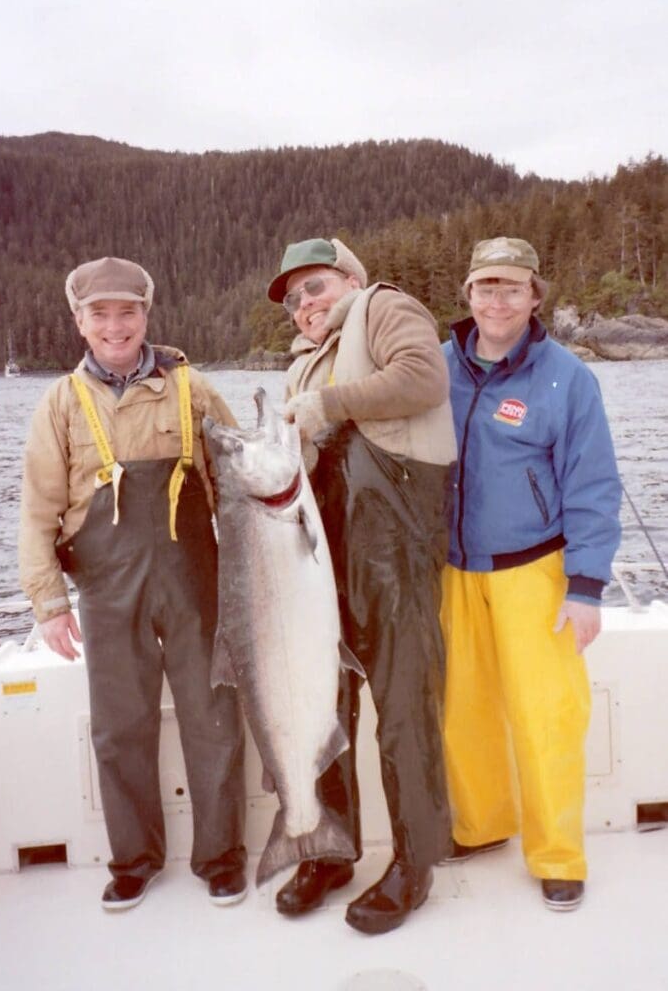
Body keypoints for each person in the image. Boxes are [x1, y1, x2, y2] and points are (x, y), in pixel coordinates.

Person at [19, 256, 247, 911]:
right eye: (101, 314)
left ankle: (221, 855)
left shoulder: (193, 389)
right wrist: (48, 603)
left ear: (147, 315)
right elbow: (36, 512)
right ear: (79, 323)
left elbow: (238, 486)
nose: (115, 326)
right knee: (120, 727)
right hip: (105, 586)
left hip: (193, 579)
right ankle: (134, 859)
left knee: (212, 717)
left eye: (128, 311)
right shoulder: (60, 403)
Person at [266, 236, 457, 935]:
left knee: (404, 714)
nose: (303, 306)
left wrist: (330, 405)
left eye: (314, 288)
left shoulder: (385, 309)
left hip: (396, 555)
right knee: (323, 714)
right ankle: (328, 849)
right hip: (322, 564)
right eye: (292, 300)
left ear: (350, 278)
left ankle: (414, 862)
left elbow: (422, 379)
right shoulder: (300, 370)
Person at [440, 236, 621, 911]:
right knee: (464, 712)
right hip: (454, 571)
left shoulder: (566, 378)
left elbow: (592, 483)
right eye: (485, 285)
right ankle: (482, 826)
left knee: (547, 719)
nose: (496, 298)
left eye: (511, 287)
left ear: (534, 296)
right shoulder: (436, 366)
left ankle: (555, 854)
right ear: (467, 294)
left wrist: (585, 586)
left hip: (533, 571)